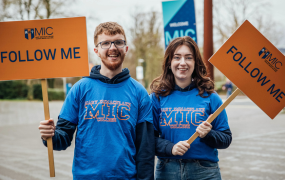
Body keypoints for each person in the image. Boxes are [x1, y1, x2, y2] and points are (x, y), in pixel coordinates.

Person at [38, 22, 155, 180]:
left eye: (118, 42)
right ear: (96, 51)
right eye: (105, 43)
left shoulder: (139, 93)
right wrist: (49, 135)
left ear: (126, 49)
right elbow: (63, 139)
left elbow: (145, 150)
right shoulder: (79, 89)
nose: (112, 48)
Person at [150, 36, 232, 180]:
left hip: (204, 172)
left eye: (188, 57)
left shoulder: (211, 97)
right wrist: (171, 147)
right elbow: (148, 139)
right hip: (167, 171)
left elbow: (226, 139)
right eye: (177, 57)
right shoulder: (156, 98)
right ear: (169, 62)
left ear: (195, 63)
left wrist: (209, 134)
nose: (183, 63)